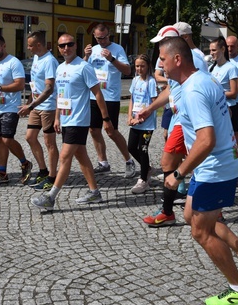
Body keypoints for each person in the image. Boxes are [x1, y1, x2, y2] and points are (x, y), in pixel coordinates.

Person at [157, 36, 238, 305]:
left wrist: (179, 173)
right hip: (216, 164)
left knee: (200, 231)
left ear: (177, 59)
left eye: (162, 58)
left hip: (214, 168)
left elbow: (206, 141)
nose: (159, 64)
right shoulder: (204, 80)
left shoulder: (193, 91)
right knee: (189, 215)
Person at [136, 25, 209, 227]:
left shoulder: (194, 57)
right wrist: (150, 108)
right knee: (171, 162)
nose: (160, 50)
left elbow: (202, 86)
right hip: (179, 118)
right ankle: (169, 210)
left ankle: (207, 208)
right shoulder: (172, 60)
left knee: (195, 161)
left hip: (191, 119)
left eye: (162, 43)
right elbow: (170, 89)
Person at [31, 34, 113, 209]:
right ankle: (94, 192)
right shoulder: (60, 68)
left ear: (76, 46)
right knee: (81, 156)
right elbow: (61, 95)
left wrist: (105, 118)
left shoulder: (84, 67)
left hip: (79, 120)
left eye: (69, 44)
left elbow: (98, 93)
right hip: (66, 120)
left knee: (65, 156)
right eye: (62, 46)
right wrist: (57, 117)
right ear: (58, 48)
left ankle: (50, 197)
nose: (66, 48)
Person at [83, 24, 134, 177]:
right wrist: (85, 56)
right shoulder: (93, 50)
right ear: (94, 36)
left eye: (105, 37)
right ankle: (103, 162)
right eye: (99, 38)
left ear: (109, 35)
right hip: (93, 95)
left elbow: (127, 70)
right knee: (93, 130)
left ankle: (129, 160)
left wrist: (111, 59)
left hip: (110, 97)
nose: (102, 41)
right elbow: (84, 69)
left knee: (111, 131)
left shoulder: (117, 49)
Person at [0, 34, 32, 185]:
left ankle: (25, 163)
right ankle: (2, 172)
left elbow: (20, 85)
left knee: (7, 139)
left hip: (10, 107)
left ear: (4, 46)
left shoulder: (13, 62)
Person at [17, 31, 60, 191]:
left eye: (30, 45)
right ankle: (43, 170)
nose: (28, 48)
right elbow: (35, 84)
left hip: (48, 107)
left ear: (39, 45)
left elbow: (49, 88)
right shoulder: (36, 57)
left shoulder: (50, 61)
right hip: (36, 105)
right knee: (30, 137)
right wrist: (29, 102)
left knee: (49, 143)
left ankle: (52, 177)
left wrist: (31, 106)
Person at [127, 54, 157, 194]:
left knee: (143, 149)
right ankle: (148, 168)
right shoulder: (135, 80)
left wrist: (142, 118)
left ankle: (143, 179)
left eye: (142, 66)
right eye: (137, 66)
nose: (139, 68)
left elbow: (154, 103)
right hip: (135, 121)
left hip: (147, 123)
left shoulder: (151, 82)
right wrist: (129, 116)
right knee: (131, 147)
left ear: (148, 66)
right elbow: (132, 99)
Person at [209, 37, 238, 151]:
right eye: (210, 50)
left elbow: (234, 93)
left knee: (228, 138)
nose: (211, 53)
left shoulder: (231, 68)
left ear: (222, 49)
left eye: (214, 50)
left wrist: (217, 93)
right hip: (215, 108)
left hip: (229, 108)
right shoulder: (211, 68)